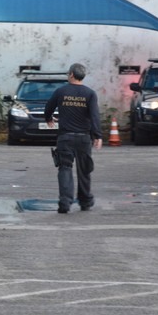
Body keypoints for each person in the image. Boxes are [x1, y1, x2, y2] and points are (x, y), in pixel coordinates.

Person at [44, 63, 102, 214]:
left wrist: (49, 119)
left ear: (71, 75)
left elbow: (48, 107)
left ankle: (65, 202)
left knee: (65, 168)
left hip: (65, 137)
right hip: (84, 138)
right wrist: (97, 136)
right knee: (84, 171)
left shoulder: (61, 92)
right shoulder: (90, 94)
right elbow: (95, 115)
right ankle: (85, 201)